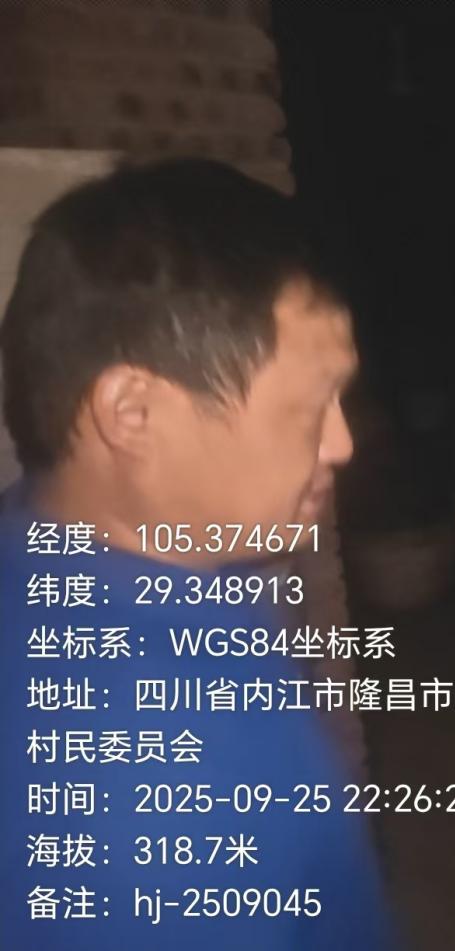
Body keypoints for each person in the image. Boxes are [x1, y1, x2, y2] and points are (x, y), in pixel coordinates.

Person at [0, 158, 399, 949]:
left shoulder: (41, 542)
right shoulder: (157, 788)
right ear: (134, 413)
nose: (342, 442)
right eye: (308, 407)